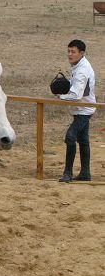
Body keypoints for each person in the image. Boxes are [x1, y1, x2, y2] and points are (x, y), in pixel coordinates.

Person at [58, 39, 96, 182]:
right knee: (83, 140)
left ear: (81, 53)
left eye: (73, 52)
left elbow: (76, 95)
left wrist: (61, 97)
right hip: (83, 108)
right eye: (68, 51)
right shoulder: (79, 65)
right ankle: (85, 173)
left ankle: (68, 173)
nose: (69, 54)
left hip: (84, 110)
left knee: (70, 137)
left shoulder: (82, 70)